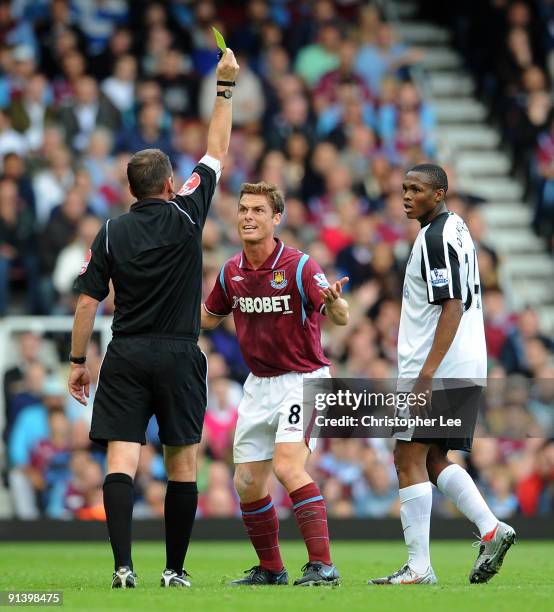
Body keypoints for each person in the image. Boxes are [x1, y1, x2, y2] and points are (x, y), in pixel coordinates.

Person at [67, 48, 240, 589]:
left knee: (122, 458)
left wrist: (77, 361)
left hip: (126, 351)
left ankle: (122, 569)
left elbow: (87, 304)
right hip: (179, 351)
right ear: (169, 184)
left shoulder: (112, 231)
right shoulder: (187, 212)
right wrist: (225, 87)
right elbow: (216, 148)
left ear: (130, 189)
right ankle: (174, 570)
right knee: (182, 462)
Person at [368, 164, 515, 586]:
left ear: (440, 193)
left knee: (406, 457)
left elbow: (451, 304)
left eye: (417, 189)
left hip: (439, 367)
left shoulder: (433, 238)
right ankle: (491, 529)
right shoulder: (457, 227)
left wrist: (427, 373)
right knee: (433, 459)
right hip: (464, 361)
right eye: (403, 189)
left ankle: (419, 567)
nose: (407, 196)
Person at [201, 181, 349, 586]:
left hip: (305, 380)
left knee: (286, 466)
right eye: (244, 210)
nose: (248, 216)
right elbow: (209, 317)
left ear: (276, 218)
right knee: (246, 482)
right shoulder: (231, 271)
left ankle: (323, 565)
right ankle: (271, 570)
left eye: (258, 211)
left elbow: (339, 316)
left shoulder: (301, 266)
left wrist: (336, 305)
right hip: (259, 383)